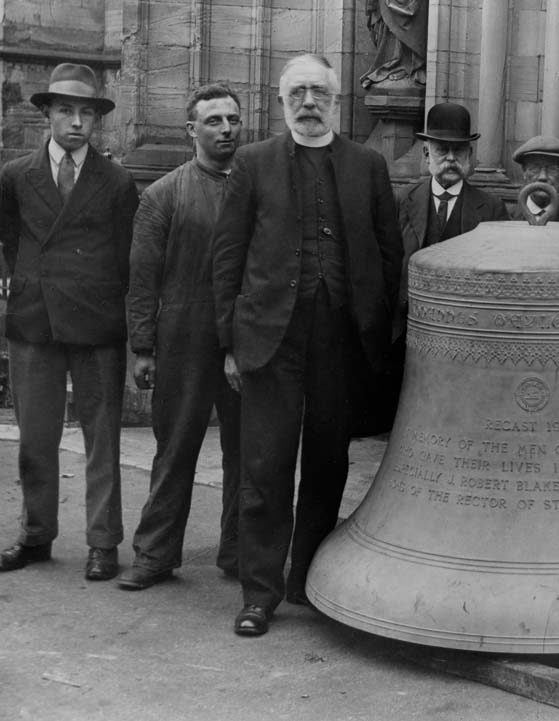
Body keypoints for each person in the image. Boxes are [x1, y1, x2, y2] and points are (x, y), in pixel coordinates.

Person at [212, 54, 403, 636]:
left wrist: (375, 328)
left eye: (318, 91)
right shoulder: (252, 163)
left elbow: (390, 253)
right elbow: (227, 257)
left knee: (327, 461)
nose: (308, 101)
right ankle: (260, 592)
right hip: (271, 339)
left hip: (339, 340)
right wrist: (229, 344)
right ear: (280, 101)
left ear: (336, 100)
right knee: (265, 464)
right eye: (296, 92)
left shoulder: (368, 165)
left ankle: (307, 579)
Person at [0, 63, 139, 580]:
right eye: (66, 110)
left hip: (96, 321)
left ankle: (103, 542)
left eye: (86, 112)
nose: (76, 121)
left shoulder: (118, 181)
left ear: (96, 121)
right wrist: (21, 281)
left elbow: (126, 253)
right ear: (47, 114)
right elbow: (9, 240)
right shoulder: (15, 174)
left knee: (102, 437)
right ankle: (36, 535)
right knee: (35, 436)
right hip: (35, 319)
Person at [117, 85, 244, 591]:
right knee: (175, 449)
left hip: (242, 340)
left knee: (245, 450)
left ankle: (238, 551)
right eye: (214, 121)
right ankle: (154, 554)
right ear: (192, 130)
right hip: (183, 339)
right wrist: (142, 347)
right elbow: (142, 279)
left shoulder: (255, 190)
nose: (227, 129)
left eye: (233, 120)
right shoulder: (163, 194)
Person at [395, 102, 508, 334]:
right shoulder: (402, 201)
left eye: (458, 150)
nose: (450, 158)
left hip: (467, 330)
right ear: (426, 154)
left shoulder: (492, 209)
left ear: (469, 155)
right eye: (441, 150)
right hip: (410, 326)